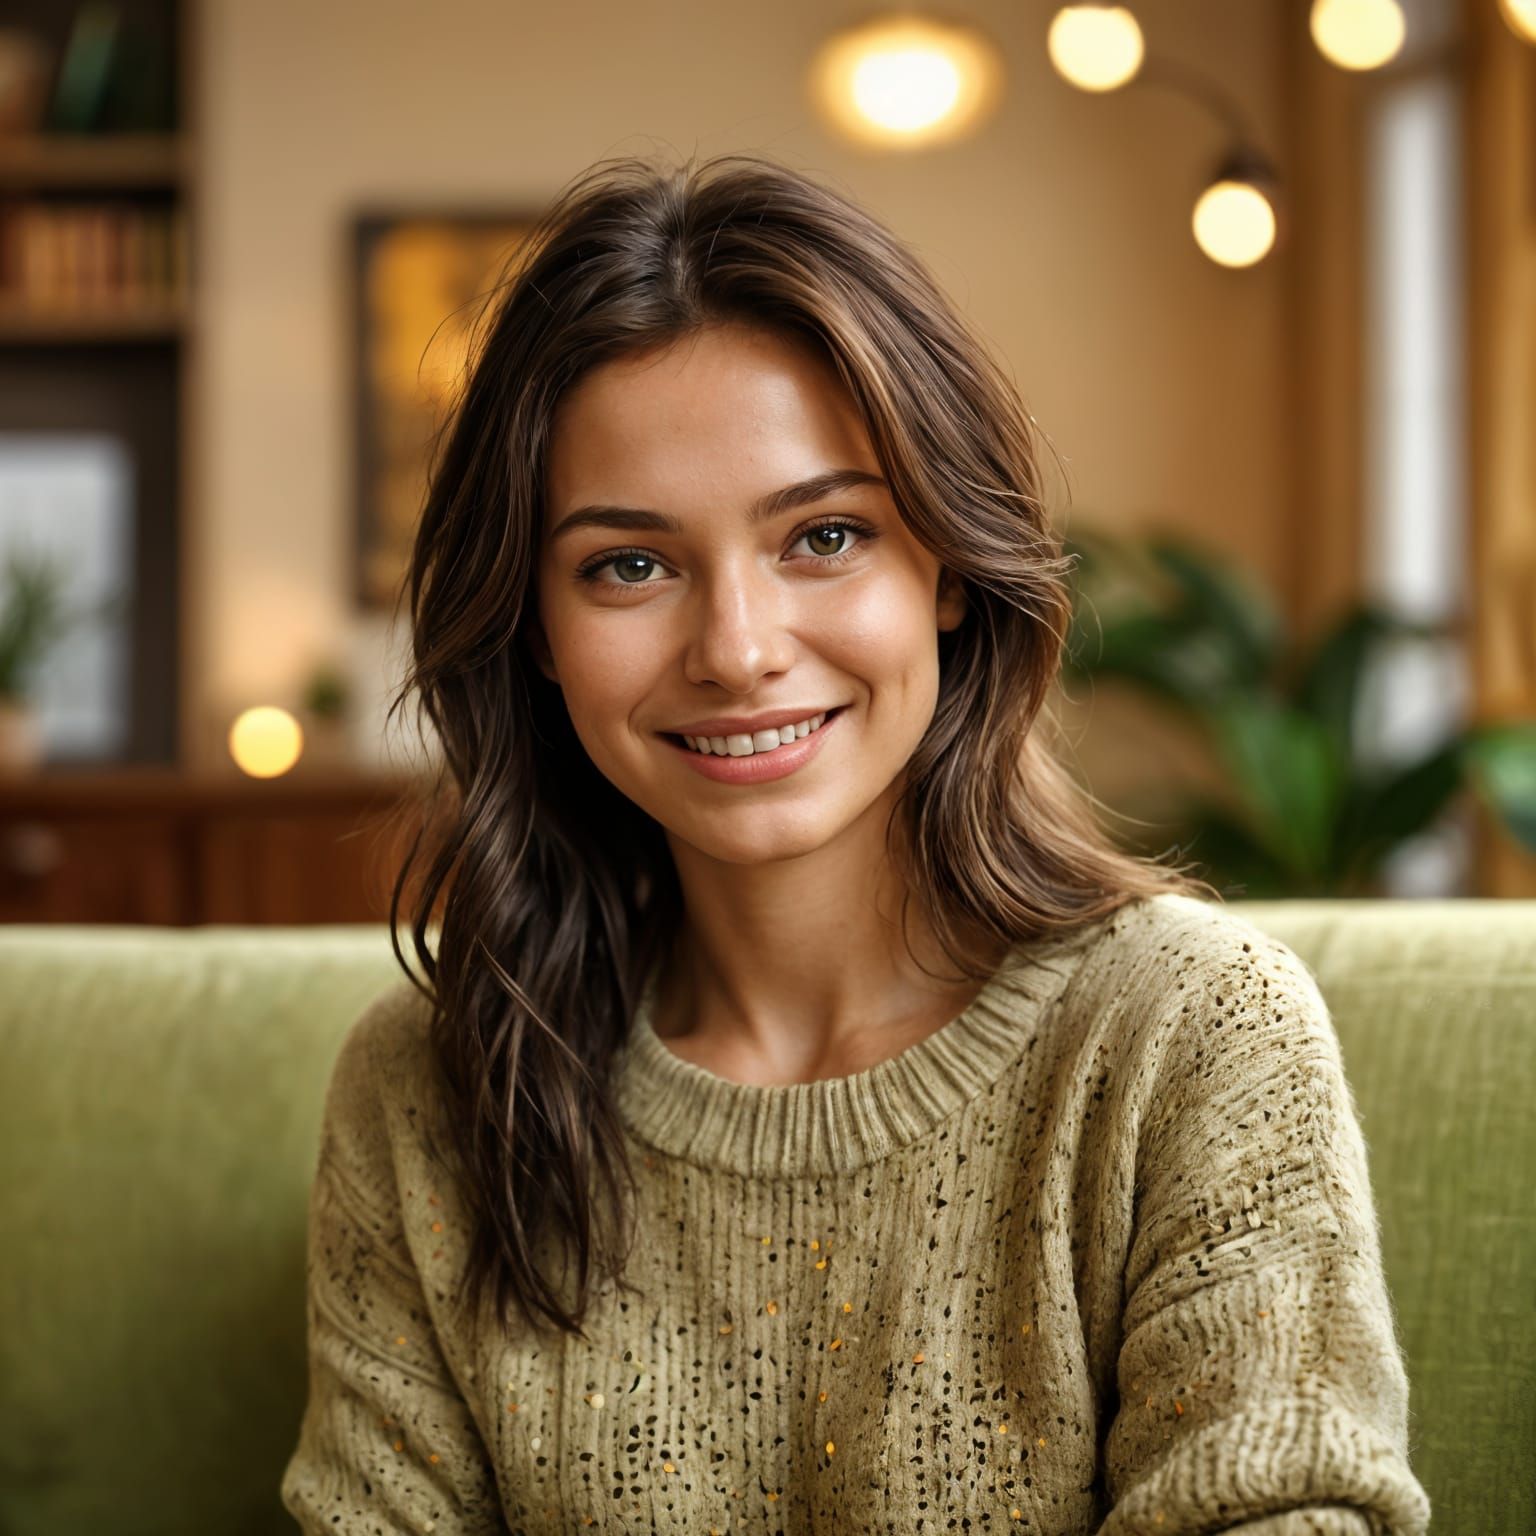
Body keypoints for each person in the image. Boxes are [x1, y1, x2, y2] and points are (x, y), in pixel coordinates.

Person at [280, 152, 1431, 1534]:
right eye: (629, 565)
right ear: (534, 628)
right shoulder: (429, 1087)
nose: (738, 649)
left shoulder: (1190, 1032)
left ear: (945, 566)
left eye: (824, 536)